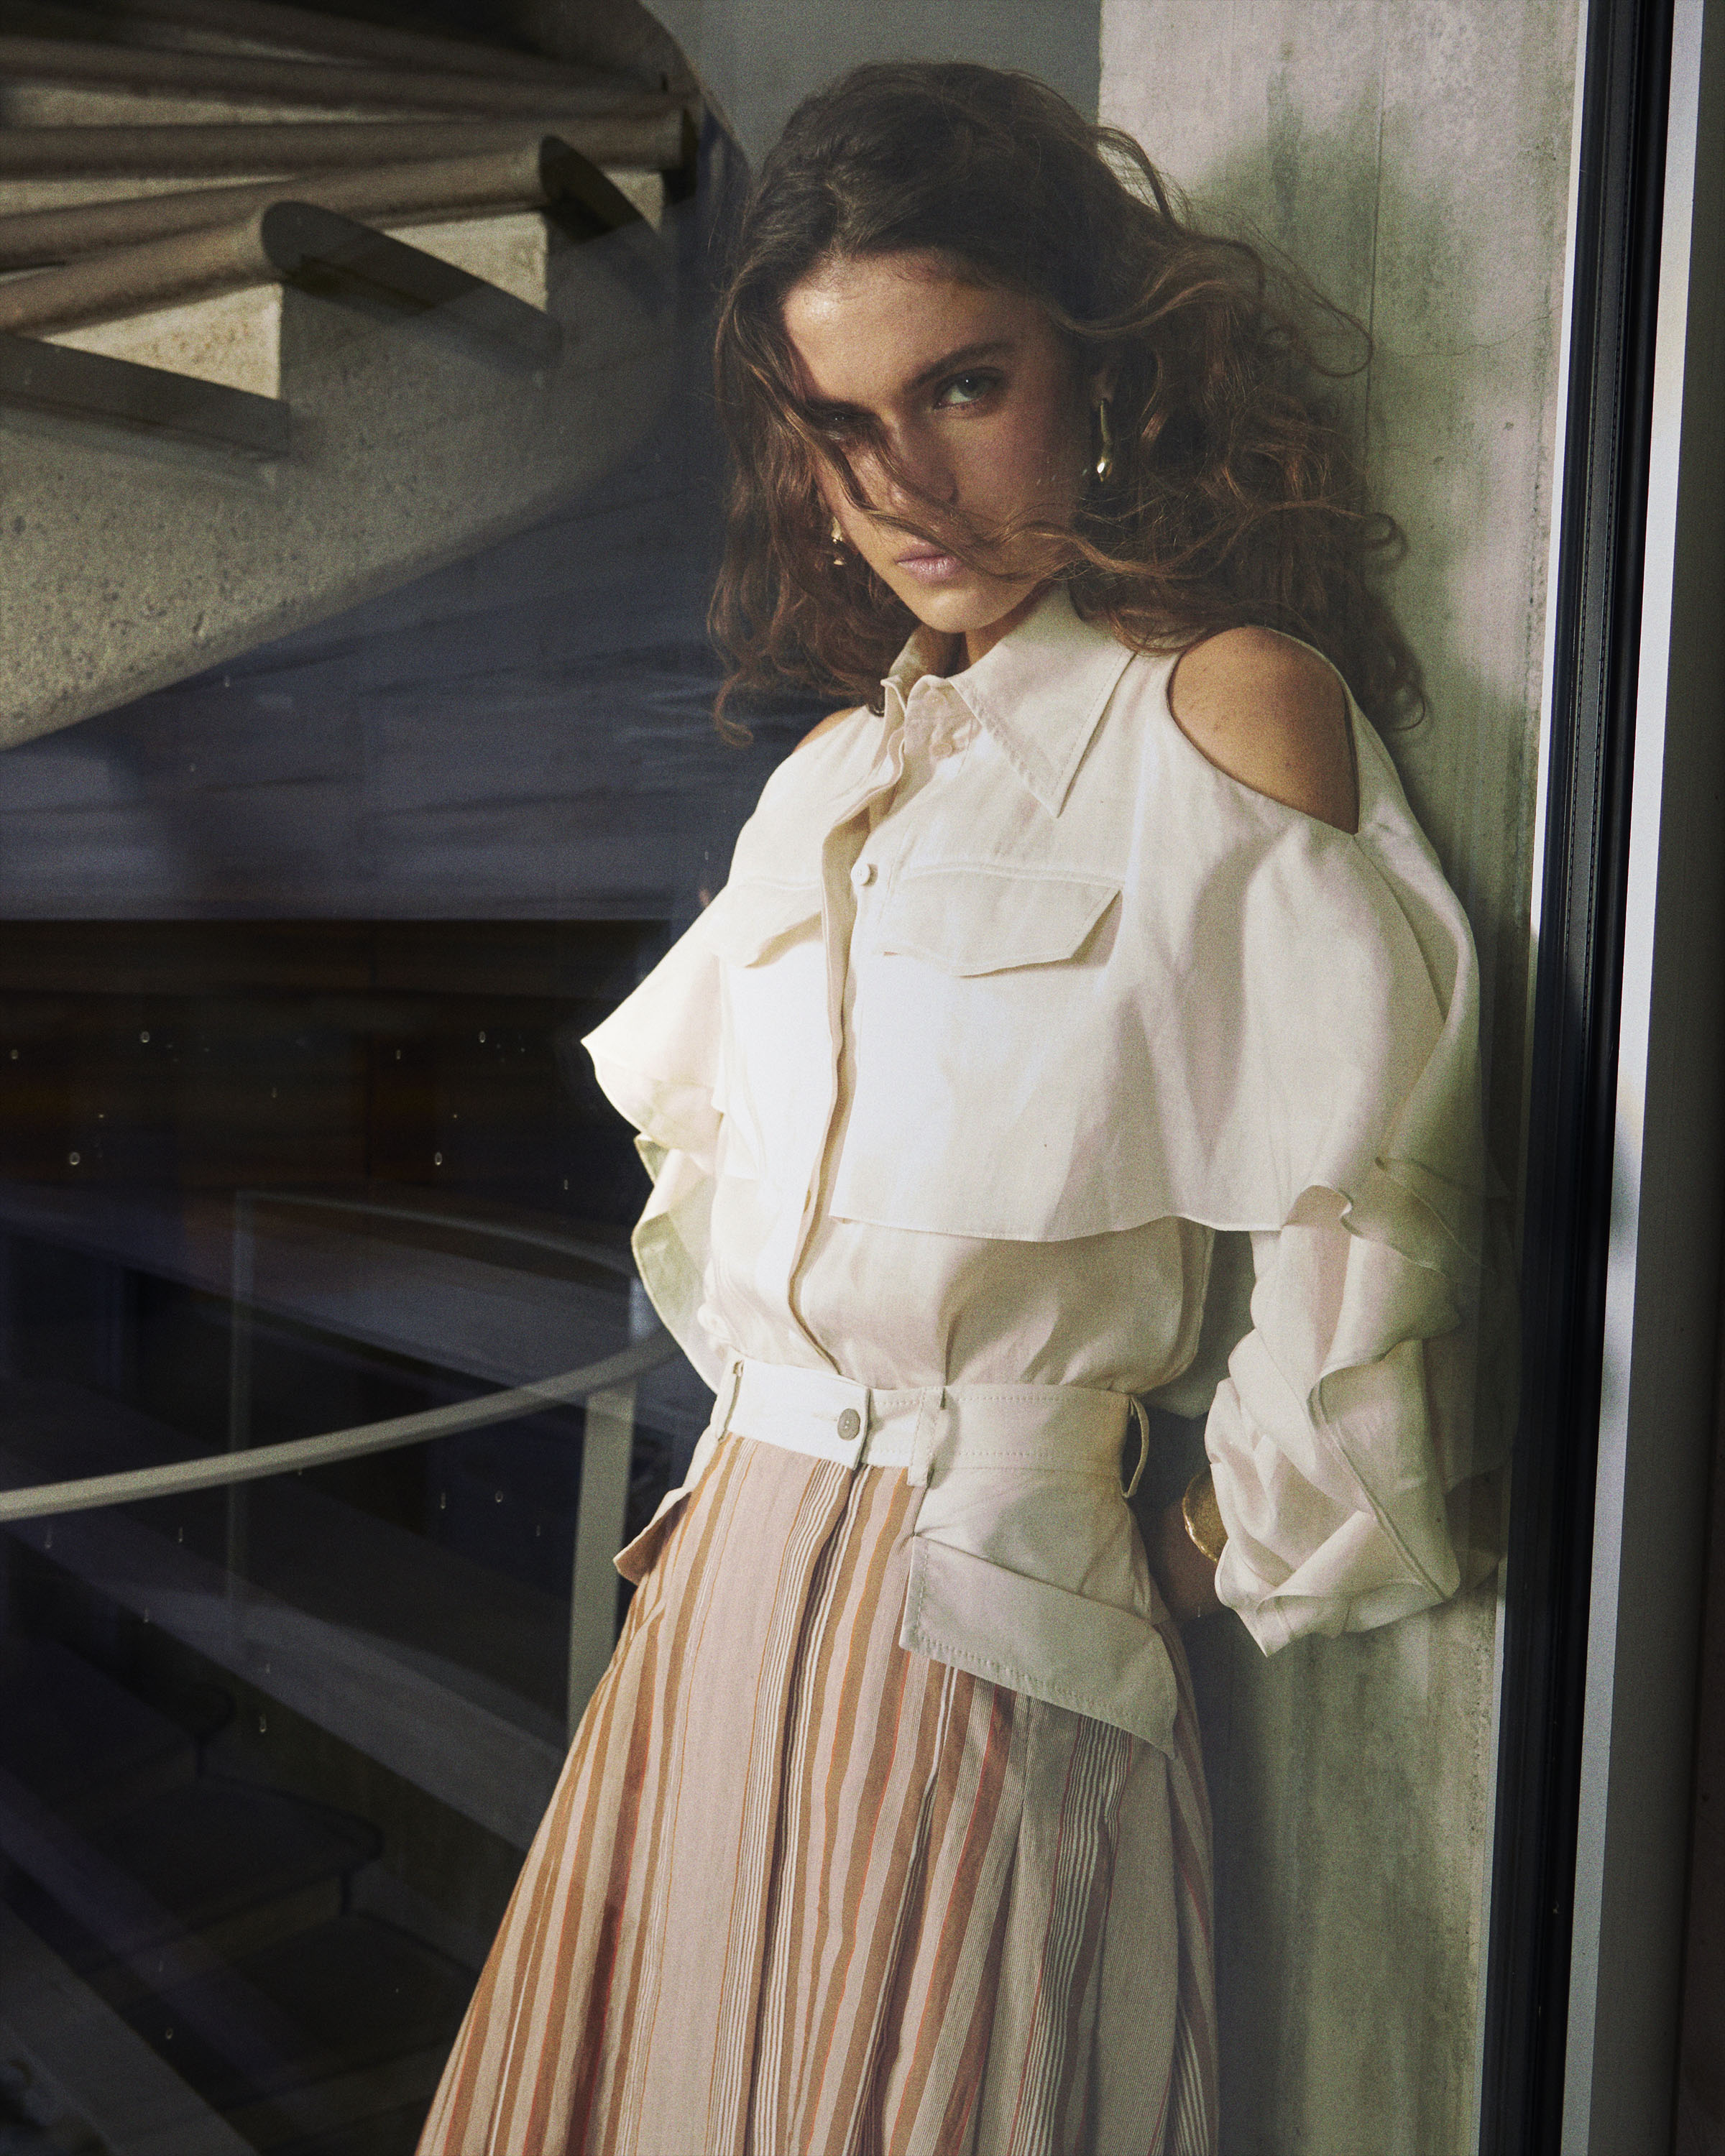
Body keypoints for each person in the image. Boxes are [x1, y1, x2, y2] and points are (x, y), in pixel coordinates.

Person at [417, 60, 1484, 2156]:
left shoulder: (1221, 709)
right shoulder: (834, 778)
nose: (897, 483)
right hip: (718, 1601)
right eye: (837, 426)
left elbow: (1379, 1209)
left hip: (982, 1631)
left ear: (1108, 367)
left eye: (962, 387)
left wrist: (1204, 1536)